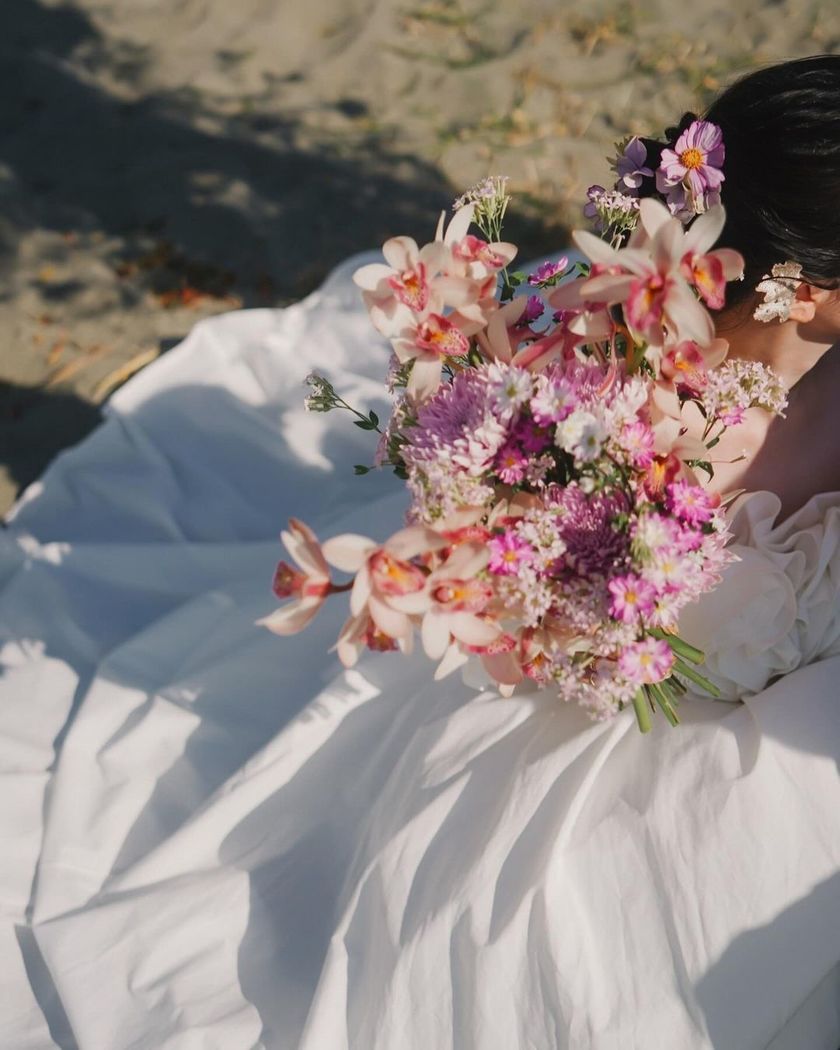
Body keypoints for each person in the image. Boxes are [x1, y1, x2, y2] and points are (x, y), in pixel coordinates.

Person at [3, 55, 840, 1050]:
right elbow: (510, 593)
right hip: (599, 695)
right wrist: (574, 613)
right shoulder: (623, 385)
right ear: (811, 288)